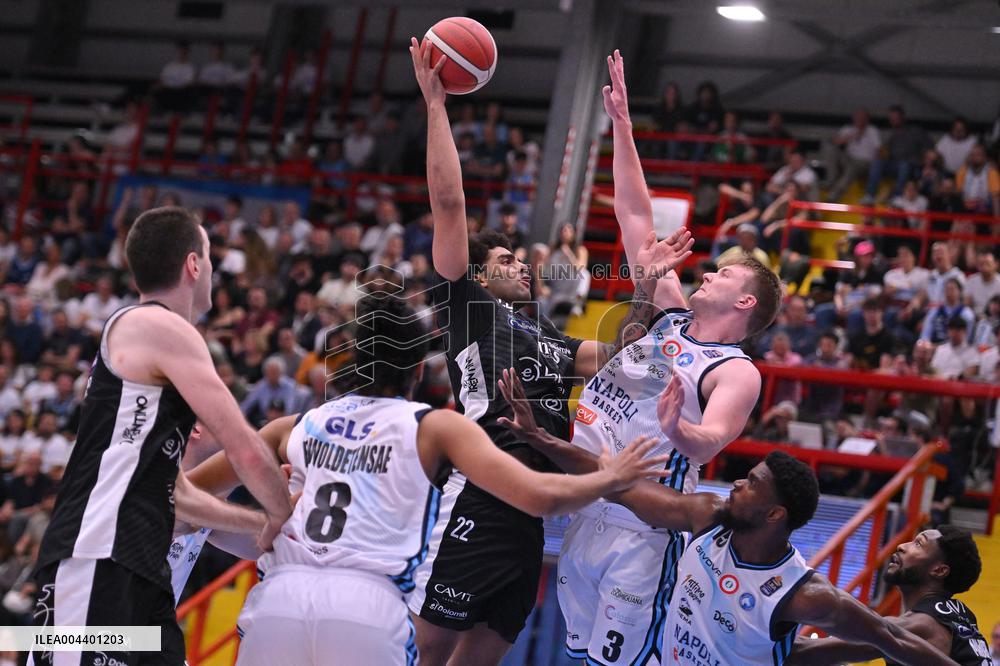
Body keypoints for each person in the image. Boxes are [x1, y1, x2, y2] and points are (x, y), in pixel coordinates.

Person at [182, 294, 670, 666]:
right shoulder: (432, 427)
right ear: (418, 369)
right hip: (366, 608)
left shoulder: (292, 427)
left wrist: (262, 524)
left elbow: (182, 497)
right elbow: (539, 496)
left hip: (280, 597)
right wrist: (611, 477)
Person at [407, 41, 694, 666]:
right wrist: (437, 105)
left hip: (536, 503)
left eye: (521, 258)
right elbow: (450, 204)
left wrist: (644, 284)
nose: (521, 265)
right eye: (505, 260)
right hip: (482, 488)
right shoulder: (467, 304)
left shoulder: (550, 338)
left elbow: (621, 350)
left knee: (484, 655)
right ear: (477, 277)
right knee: (430, 650)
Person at [541, 50, 781, 666]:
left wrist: (679, 427)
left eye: (722, 272)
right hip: (584, 506)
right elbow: (633, 215)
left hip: (644, 530)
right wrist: (621, 124)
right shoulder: (668, 310)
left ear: (745, 300)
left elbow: (710, 443)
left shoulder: (734, 371)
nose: (707, 272)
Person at [496, 394, 960, 666]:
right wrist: (541, 439)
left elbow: (890, 639)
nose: (737, 481)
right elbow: (617, 484)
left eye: (752, 483)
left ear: (776, 514)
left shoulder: (805, 594)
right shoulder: (707, 516)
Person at [28, 207, 293, 666]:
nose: (211, 269)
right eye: (209, 257)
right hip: (99, 558)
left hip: (141, 572)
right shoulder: (162, 326)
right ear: (193, 264)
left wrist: (261, 525)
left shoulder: (147, 349)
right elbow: (245, 446)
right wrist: (286, 510)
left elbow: (179, 493)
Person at [789, 527, 989, 665]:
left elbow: (808, 653)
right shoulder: (960, 620)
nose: (902, 545)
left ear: (939, 570)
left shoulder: (923, 625)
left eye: (919, 544)